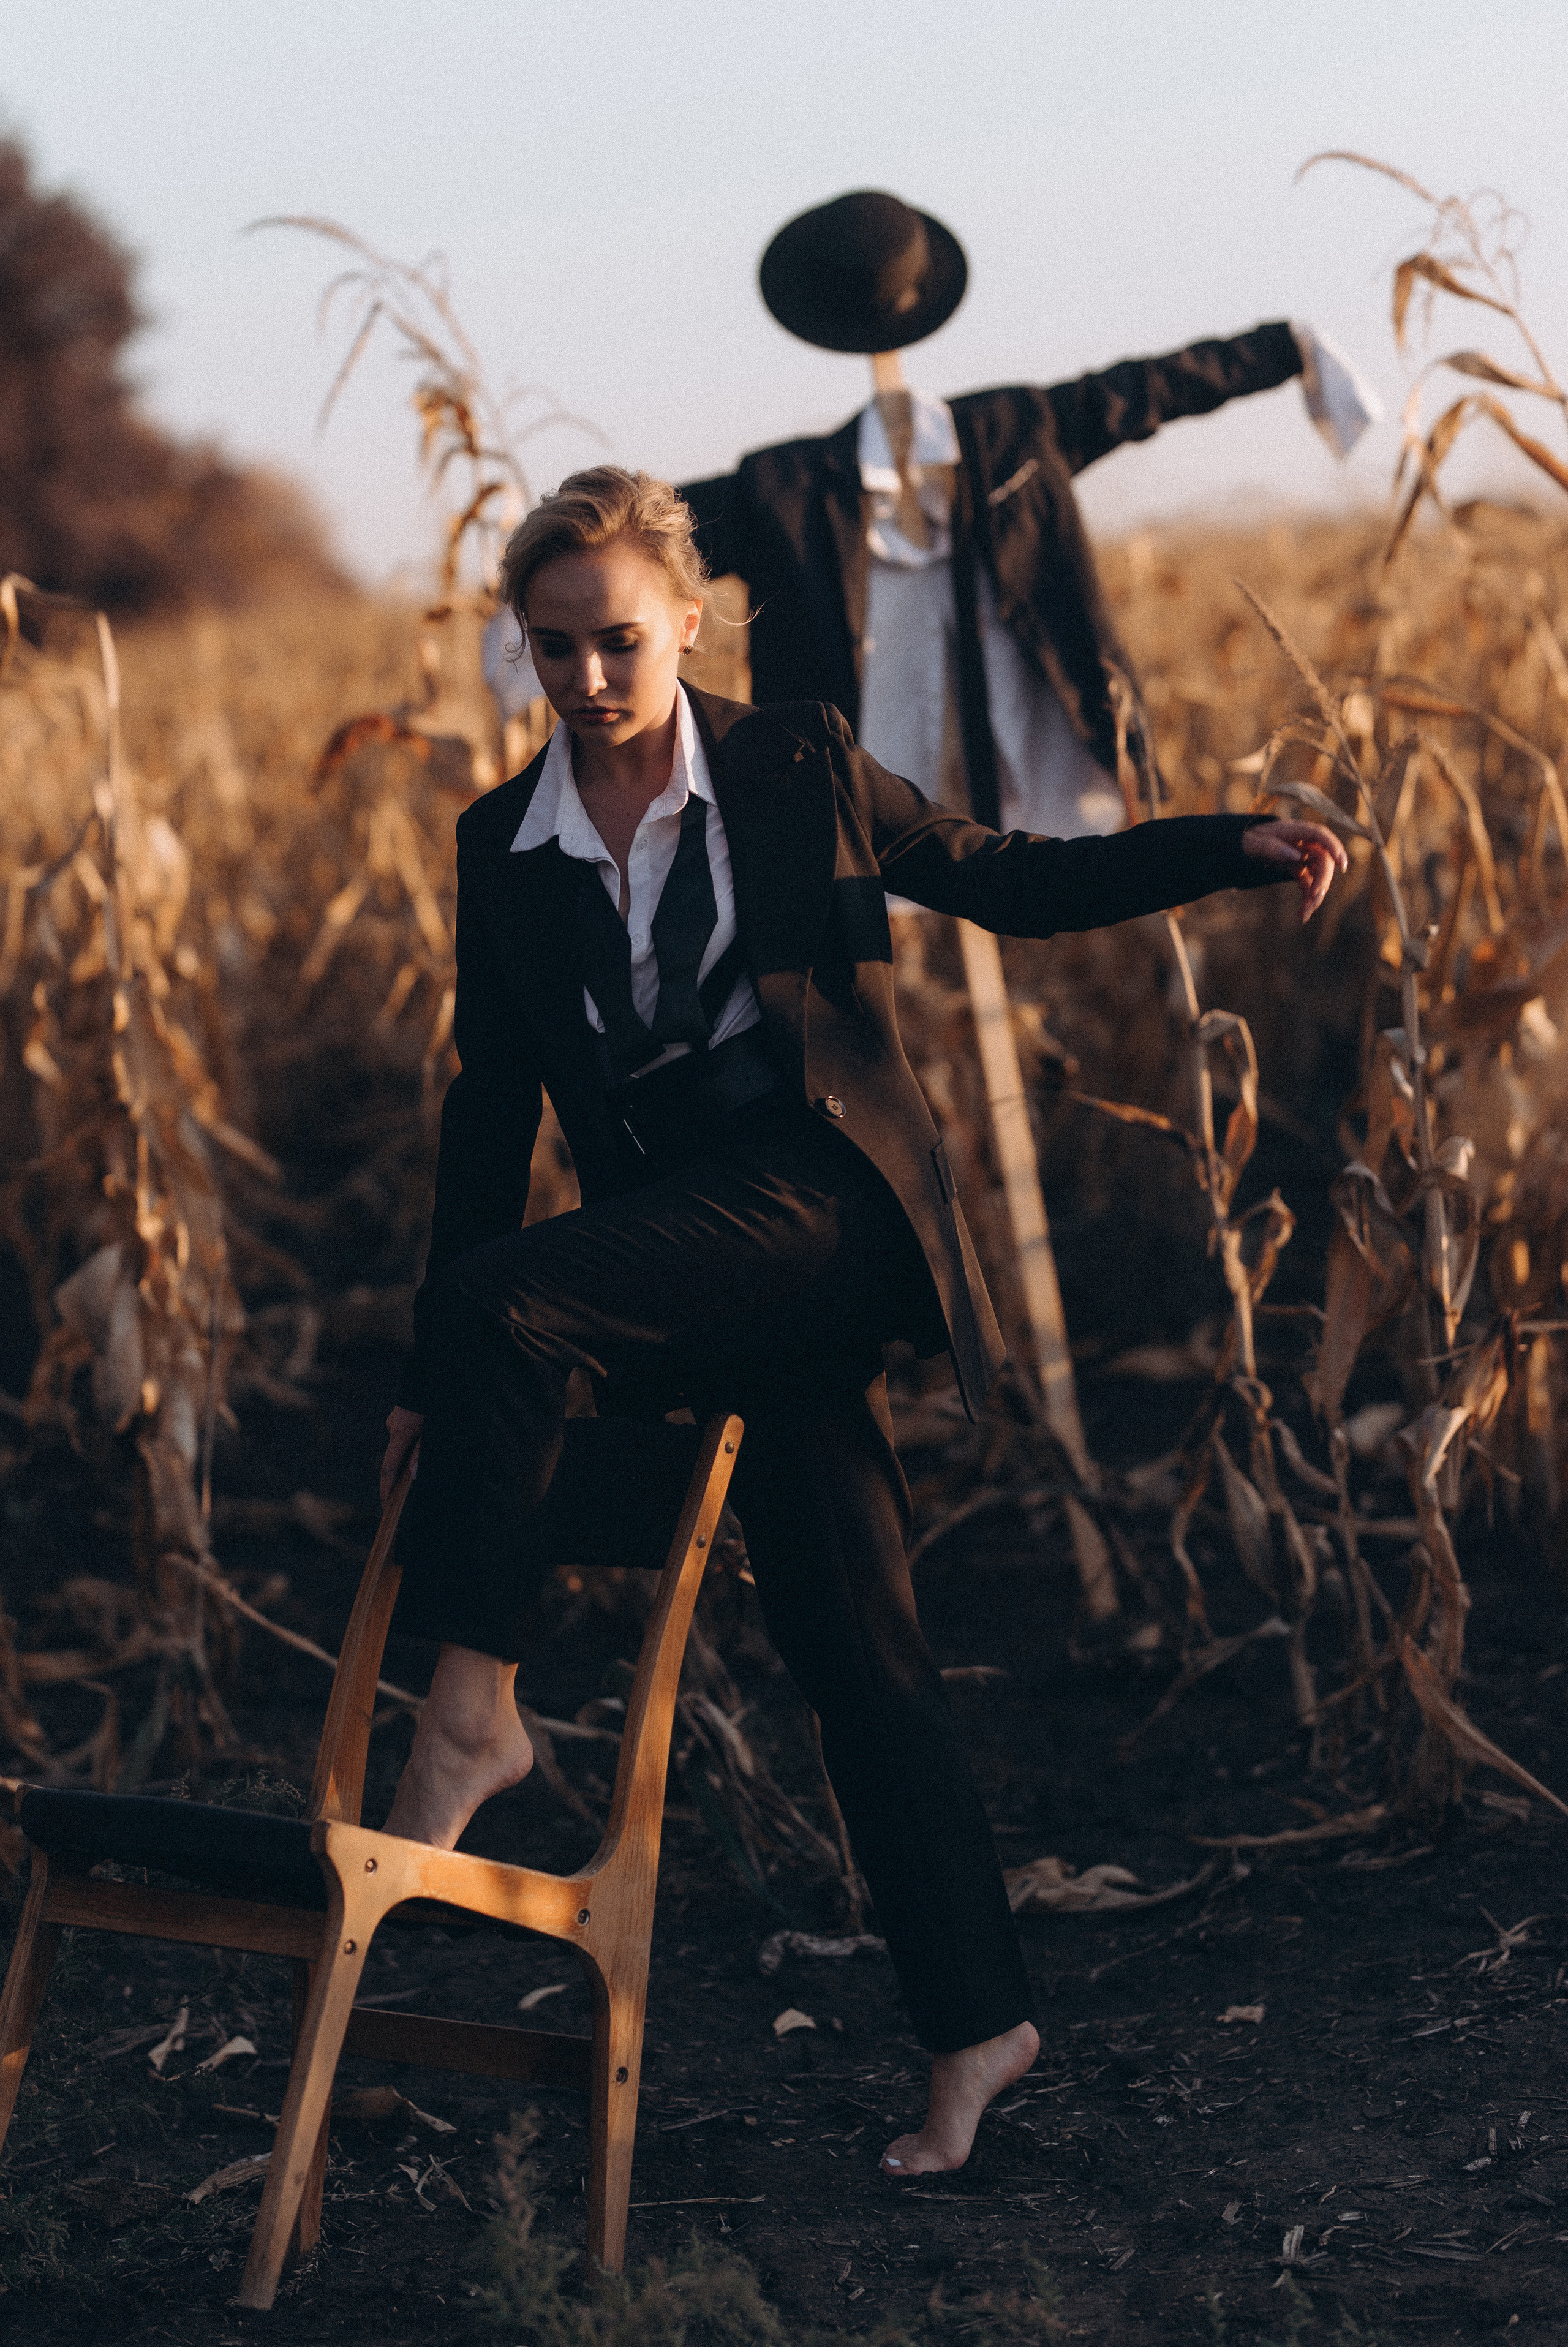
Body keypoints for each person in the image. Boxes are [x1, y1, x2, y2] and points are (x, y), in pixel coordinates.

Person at [379, 464, 1344, 2178]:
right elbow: (488, 1112)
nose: (589, 679)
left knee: (507, 1305)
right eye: (553, 650)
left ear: (685, 617)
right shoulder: (501, 849)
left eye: (617, 641)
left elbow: (1004, 875)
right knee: (858, 1655)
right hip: (678, 1251)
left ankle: (477, 1705)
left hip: (819, 1205)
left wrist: (1230, 849)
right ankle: (984, 2027)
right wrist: (422, 1388)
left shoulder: (790, 759)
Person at [677, 187, 1379, 837]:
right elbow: (640, 525)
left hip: (1041, 751)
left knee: (1029, 867)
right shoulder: (781, 488)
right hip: (859, 794)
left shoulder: (1015, 431)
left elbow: (1154, 387)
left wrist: (1285, 350)